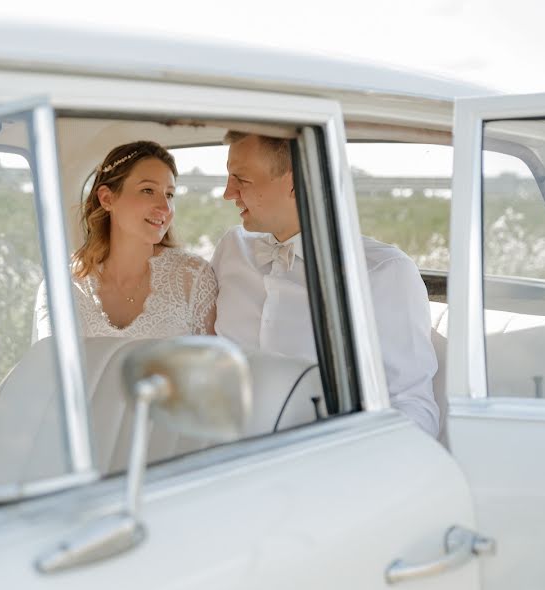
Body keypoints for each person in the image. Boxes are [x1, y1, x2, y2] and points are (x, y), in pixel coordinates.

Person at [211, 131, 439, 436]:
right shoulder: (231, 248)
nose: (228, 193)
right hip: (213, 456)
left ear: (297, 182)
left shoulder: (383, 273)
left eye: (242, 179)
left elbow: (413, 411)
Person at [34, 141, 217, 340]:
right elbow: (47, 365)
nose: (165, 208)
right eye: (148, 190)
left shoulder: (193, 277)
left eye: (170, 194)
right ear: (107, 198)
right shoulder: (61, 284)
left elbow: (214, 366)